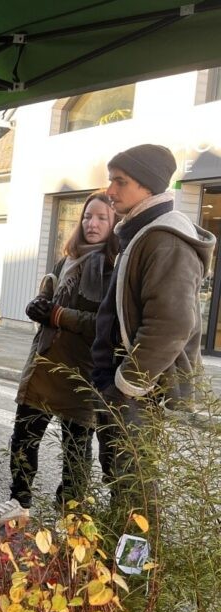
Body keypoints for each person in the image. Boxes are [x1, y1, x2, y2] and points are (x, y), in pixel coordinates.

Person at [91, 144, 215, 525]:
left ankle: (136, 577)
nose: (110, 190)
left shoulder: (164, 238)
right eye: (111, 179)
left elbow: (173, 323)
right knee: (123, 481)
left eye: (120, 181)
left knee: (137, 491)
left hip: (139, 393)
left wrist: (128, 382)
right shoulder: (144, 231)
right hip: (126, 388)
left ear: (148, 186)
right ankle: (119, 570)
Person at [0, 192, 118, 524]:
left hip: (81, 372)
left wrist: (59, 315)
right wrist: (38, 304)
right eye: (88, 216)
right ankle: (19, 502)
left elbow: (106, 325)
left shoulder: (114, 268)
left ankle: (69, 513)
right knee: (23, 437)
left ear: (114, 222)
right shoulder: (67, 260)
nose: (93, 223)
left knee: (76, 450)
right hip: (44, 363)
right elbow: (50, 293)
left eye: (102, 217)